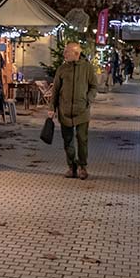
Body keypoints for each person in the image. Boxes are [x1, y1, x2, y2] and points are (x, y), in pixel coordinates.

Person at [49, 41, 97, 180]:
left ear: (76, 53)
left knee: (82, 139)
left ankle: (83, 166)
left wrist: (88, 99)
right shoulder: (62, 69)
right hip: (65, 111)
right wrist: (52, 108)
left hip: (82, 110)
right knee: (67, 140)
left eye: (67, 52)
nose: (64, 54)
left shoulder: (87, 68)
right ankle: (72, 166)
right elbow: (56, 90)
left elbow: (94, 86)